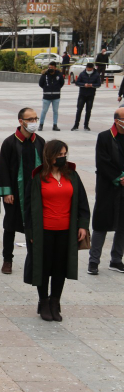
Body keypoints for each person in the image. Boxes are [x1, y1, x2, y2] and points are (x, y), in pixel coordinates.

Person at [24, 140, 90, 322]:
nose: (62, 158)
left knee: (60, 268)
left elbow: (83, 202)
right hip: (43, 231)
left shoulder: (72, 175)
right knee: (43, 268)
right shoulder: (37, 177)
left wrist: (83, 225)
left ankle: (55, 302)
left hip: (66, 231)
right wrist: (30, 233)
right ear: (49, 156)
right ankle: (43, 302)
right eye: (58, 155)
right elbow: (28, 208)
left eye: (64, 155)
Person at [0, 107, 46, 276]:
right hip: (15, 194)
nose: (33, 122)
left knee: (34, 226)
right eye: (30, 119)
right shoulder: (10, 142)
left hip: (34, 194)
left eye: (35, 119)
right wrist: (6, 192)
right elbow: (2, 168)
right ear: (21, 121)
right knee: (10, 226)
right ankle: (7, 260)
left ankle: (34, 259)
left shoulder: (40, 142)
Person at [88, 109, 124, 275]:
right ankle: (93, 261)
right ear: (117, 120)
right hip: (107, 186)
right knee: (101, 223)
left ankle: (116, 260)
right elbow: (102, 162)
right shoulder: (104, 137)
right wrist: (119, 177)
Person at [72, 61, 101, 131]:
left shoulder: (96, 75)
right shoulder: (82, 74)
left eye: (90, 69)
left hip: (90, 95)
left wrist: (92, 85)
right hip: (82, 94)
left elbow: (99, 84)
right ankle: (76, 125)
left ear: (92, 69)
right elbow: (77, 82)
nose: (89, 70)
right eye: (88, 69)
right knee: (79, 110)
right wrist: (84, 84)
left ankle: (86, 125)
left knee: (88, 111)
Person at [39, 61, 64, 131]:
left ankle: (55, 125)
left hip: (56, 97)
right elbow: (41, 83)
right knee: (44, 111)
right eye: (49, 67)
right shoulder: (45, 74)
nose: (50, 69)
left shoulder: (59, 75)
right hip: (47, 97)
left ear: (55, 68)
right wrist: (46, 88)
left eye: (52, 67)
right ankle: (41, 125)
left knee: (55, 111)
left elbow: (62, 83)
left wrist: (56, 88)